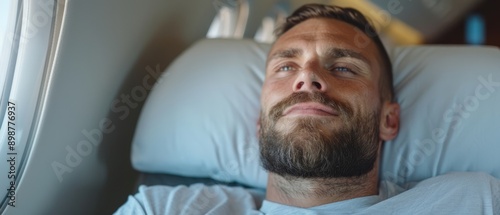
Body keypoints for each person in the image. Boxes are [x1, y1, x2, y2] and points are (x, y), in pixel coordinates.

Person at [115, 4, 500, 214]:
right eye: (286, 66)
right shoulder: (165, 209)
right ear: (259, 122)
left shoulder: (474, 201)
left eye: (344, 67)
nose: (308, 78)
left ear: (389, 120)